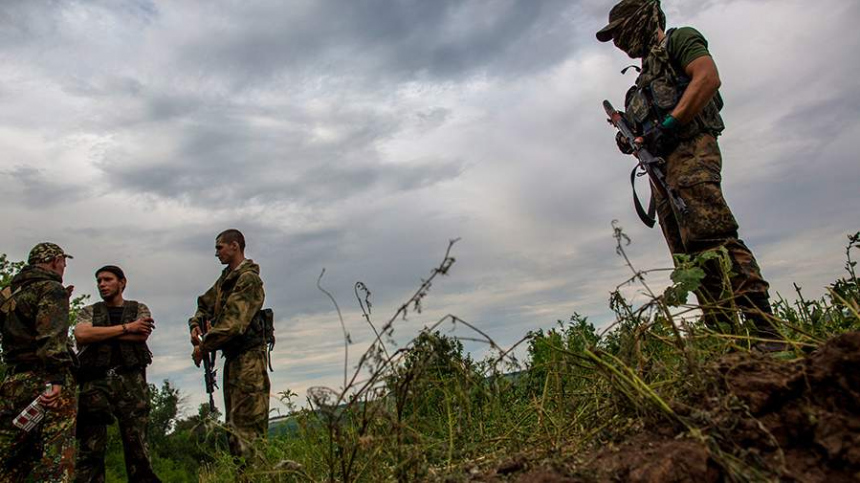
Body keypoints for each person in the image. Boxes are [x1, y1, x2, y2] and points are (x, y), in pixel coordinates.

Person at [596, 0, 778, 339]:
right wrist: (634, 141)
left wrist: (669, 125)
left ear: (640, 22)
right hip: (662, 176)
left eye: (620, 33)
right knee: (689, 259)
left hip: (693, 154)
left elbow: (707, 78)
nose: (619, 43)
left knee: (714, 238)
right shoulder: (641, 83)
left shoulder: (679, 42)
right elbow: (645, 133)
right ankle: (728, 339)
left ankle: (765, 330)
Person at [73, 265, 161, 482]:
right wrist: (126, 328)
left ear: (122, 282)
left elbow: (141, 335)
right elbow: (82, 334)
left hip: (131, 382)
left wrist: (100, 334)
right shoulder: (89, 311)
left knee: (137, 447)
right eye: (99, 281)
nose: (102, 284)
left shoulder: (139, 308)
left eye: (108, 279)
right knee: (90, 447)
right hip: (95, 383)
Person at [189, 229, 270, 461]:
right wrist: (196, 325)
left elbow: (232, 324)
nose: (216, 253)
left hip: (249, 361)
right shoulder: (226, 280)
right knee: (234, 426)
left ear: (235, 246)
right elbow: (203, 305)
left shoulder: (248, 280)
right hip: (234, 360)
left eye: (219, 247)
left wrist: (203, 347)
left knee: (249, 428)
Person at [0, 242, 77, 482]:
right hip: (45, 381)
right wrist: (56, 378)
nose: (64, 267)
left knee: (11, 456)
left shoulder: (9, 291)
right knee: (55, 456)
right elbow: (50, 337)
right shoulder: (51, 288)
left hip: (13, 381)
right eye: (63, 262)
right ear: (55, 261)